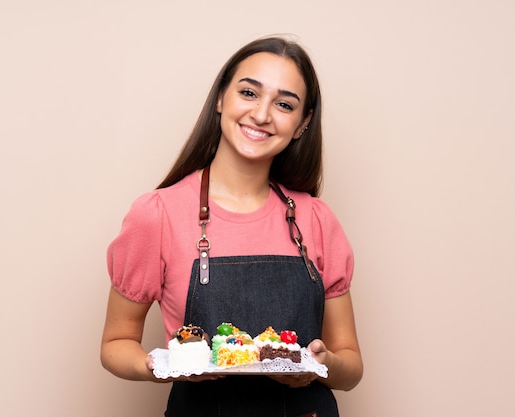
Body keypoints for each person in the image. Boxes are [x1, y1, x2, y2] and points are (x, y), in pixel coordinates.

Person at [101, 35, 363, 417]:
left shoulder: (317, 220)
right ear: (221, 97)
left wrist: (321, 365)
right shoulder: (158, 214)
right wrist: (163, 367)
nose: (261, 115)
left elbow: (351, 367)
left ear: (303, 123)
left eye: (284, 104)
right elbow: (116, 342)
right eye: (249, 93)